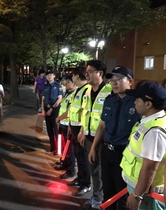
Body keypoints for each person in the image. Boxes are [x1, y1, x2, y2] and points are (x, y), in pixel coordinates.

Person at [88, 66, 141, 210]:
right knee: (108, 191)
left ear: (130, 81)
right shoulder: (110, 100)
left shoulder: (138, 103)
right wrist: (94, 148)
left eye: (119, 80)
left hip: (125, 155)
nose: (114, 83)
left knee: (123, 196)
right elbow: (102, 126)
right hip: (106, 152)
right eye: (112, 80)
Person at [120, 82, 166, 210]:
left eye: (138, 99)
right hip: (139, 188)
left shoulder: (155, 131)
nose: (134, 102)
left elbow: (150, 168)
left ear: (148, 104)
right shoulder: (148, 121)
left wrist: (137, 195)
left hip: (147, 194)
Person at [80, 60, 112, 209]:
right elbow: (85, 113)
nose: (86, 75)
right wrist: (82, 131)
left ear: (100, 73)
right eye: (86, 72)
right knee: (93, 168)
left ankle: (106, 199)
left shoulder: (110, 91)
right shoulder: (87, 90)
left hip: (104, 138)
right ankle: (97, 197)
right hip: (89, 136)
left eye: (89, 71)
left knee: (104, 171)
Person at [64, 67, 92, 196]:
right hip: (75, 128)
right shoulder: (79, 90)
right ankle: (80, 178)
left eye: (72, 76)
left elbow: (86, 113)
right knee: (78, 156)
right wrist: (70, 125)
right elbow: (74, 111)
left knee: (83, 158)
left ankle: (86, 184)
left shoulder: (87, 90)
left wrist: (82, 131)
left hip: (81, 130)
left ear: (76, 76)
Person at [55, 75, 77, 173]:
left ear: (74, 84)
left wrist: (59, 118)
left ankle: (70, 169)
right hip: (63, 124)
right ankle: (64, 162)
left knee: (69, 149)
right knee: (65, 148)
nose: (66, 84)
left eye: (68, 82)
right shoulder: (68, 94)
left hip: (68, 125)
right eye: (66, 82)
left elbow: (69, 112)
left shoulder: (74, 95)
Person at [42, 70, 63, 155]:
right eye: (48, 75)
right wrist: (42, 109)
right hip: (46, 109)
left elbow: (59, 99)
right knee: (49, 129)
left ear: (54, 76)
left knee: (56, 129)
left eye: (51, 75)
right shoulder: (45, 86)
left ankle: (58, 148)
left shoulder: (58, 86)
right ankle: (52, 146)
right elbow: (42, 99)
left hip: (55, 110)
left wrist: (51, 109)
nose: (49, 76)